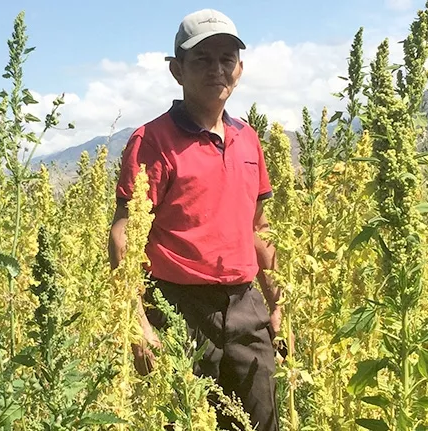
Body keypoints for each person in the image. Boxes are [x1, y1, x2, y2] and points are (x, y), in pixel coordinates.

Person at [107, 8, 282, 431]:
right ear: (177, 70)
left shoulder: (248, 139)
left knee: (260, 422)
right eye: (202, 59)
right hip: (177, 308)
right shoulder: (152, 140)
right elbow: (123, 235)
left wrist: (277, 304)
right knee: (184, 421)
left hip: (245, 308)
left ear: (239, 69)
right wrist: (138, 322)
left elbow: (260, 230)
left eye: (226, 59)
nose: (216, 69)